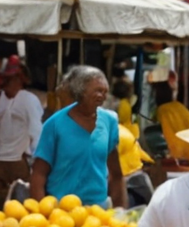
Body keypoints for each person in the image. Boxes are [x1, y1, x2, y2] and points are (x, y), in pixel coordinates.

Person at [32, 65, 125, 208]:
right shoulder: (54, 124)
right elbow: (39, 174)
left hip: (98, 210)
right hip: (61, 211)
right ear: (80, 91)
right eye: (97, 91)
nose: (102, 96)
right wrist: (41, 213)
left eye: (105, 91)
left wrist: (121, 211)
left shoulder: (109, 121)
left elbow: (116, 173)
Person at [0, 61, 45, 204]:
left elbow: (37, 133)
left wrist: (34, 159)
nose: (6, 82)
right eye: (5, 78)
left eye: (10, 78)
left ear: (20, 80)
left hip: (15, 162)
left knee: (19, 209)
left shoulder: (28, 100)